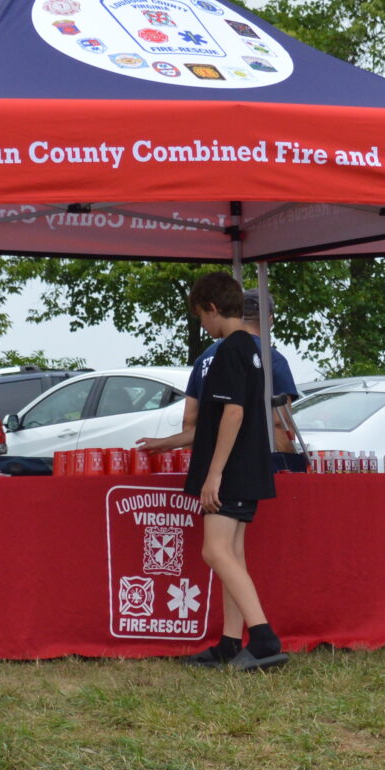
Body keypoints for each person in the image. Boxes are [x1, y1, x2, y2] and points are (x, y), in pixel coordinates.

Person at [180, 273, 286, 672]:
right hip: (247, 466)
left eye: (201, 319)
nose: (203, 327)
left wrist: (214, 474)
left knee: (215, 551)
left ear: (211, 308)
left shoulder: (228, 351)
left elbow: (234, 412)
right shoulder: (253, 349)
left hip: (232, 469)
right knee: (232, 555)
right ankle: (229, 641)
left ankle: (262, 637)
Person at [138, 290, 304, 466]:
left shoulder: (204, 359)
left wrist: (194, 464)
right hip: (255, 467)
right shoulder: (272, 359)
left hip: (210, 463)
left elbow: (189, 419)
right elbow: (279, 423)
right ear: (269, 318)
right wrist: (290, 466)